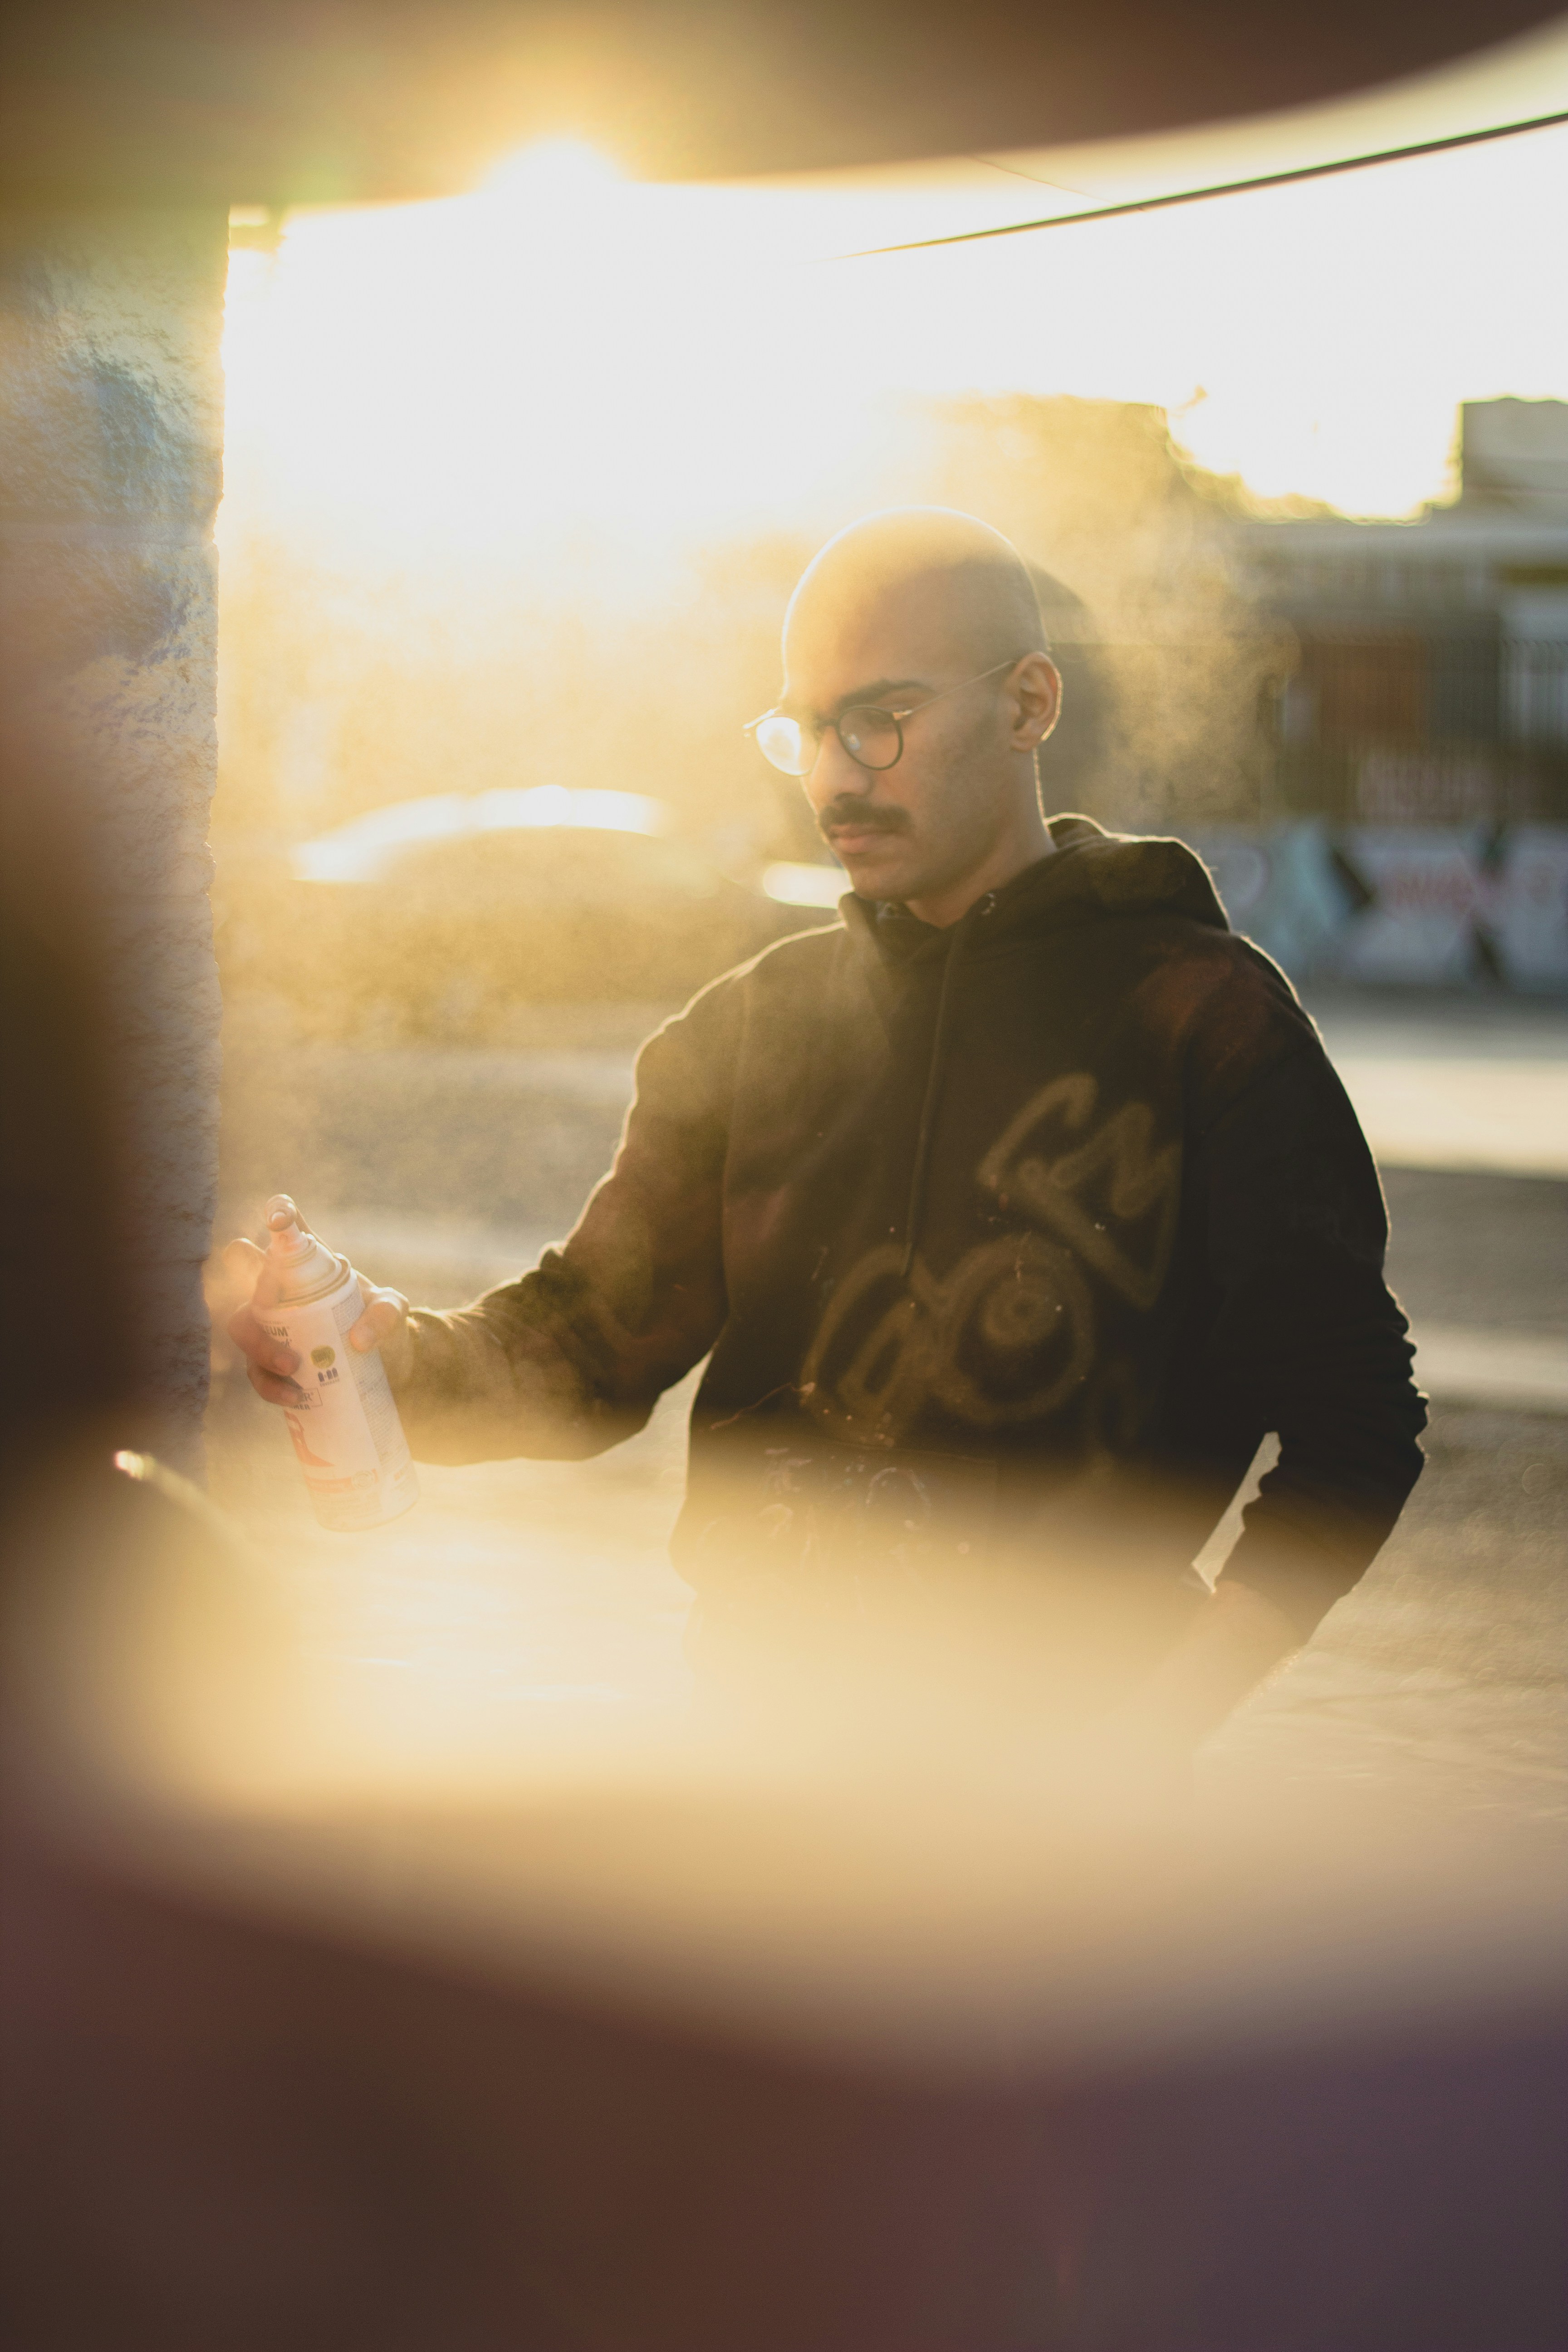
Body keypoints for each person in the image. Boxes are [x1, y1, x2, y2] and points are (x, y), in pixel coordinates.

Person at [228, 507, 1426, 1753]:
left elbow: (1355, 1427)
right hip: (758, 1762)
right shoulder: (751, 1029)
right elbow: (587, 1350)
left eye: (879, 720)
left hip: (1062, 1810)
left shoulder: (1202, 1021)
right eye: (803, 729)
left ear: (1028, 706)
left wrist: (1158, 1723)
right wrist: (392, 1356)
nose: (835, 776)